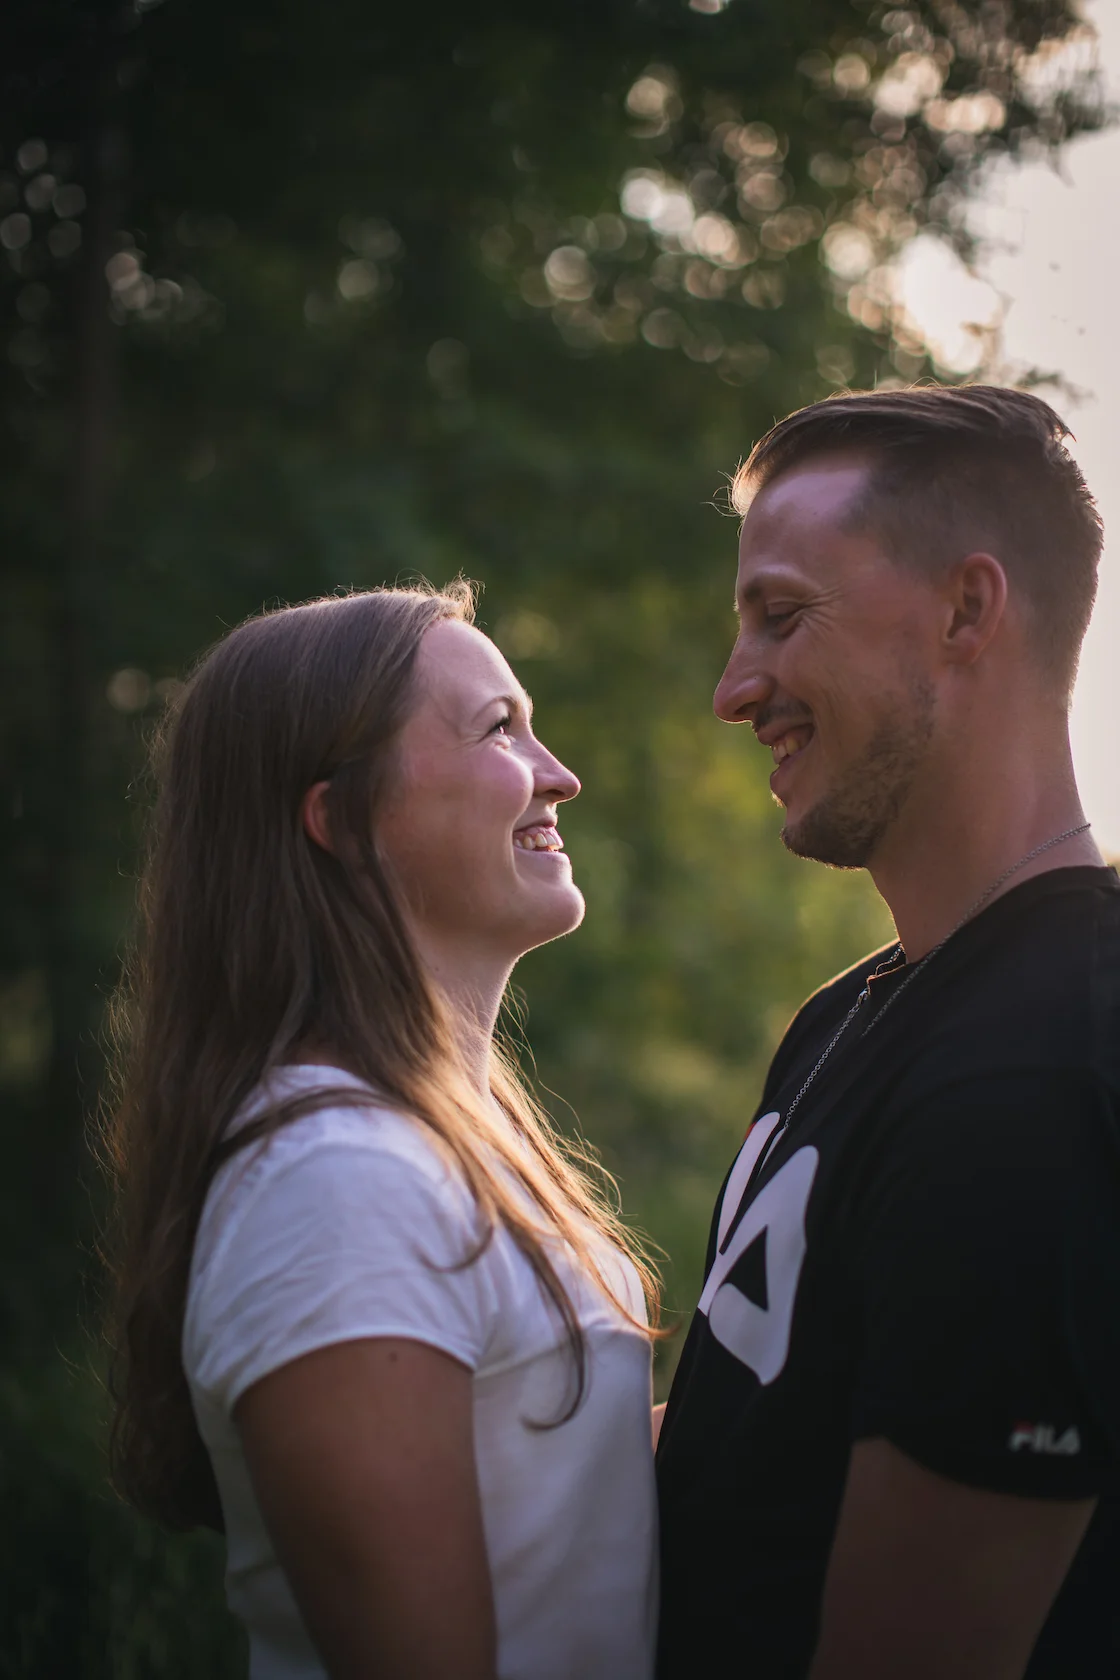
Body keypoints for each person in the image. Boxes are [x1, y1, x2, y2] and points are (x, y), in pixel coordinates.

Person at [104, 581, 661, 1680]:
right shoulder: (336, 1179)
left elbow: (563, 1479)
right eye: (499, 729)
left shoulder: (435, 1140)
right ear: (342, 821)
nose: (559, 774)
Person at [655, 385, 1120, 1680]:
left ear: (967, 611)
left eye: (781, 616)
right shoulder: (848, 1014)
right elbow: (752, 1450)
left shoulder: (1039, 1079)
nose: (733, 689)